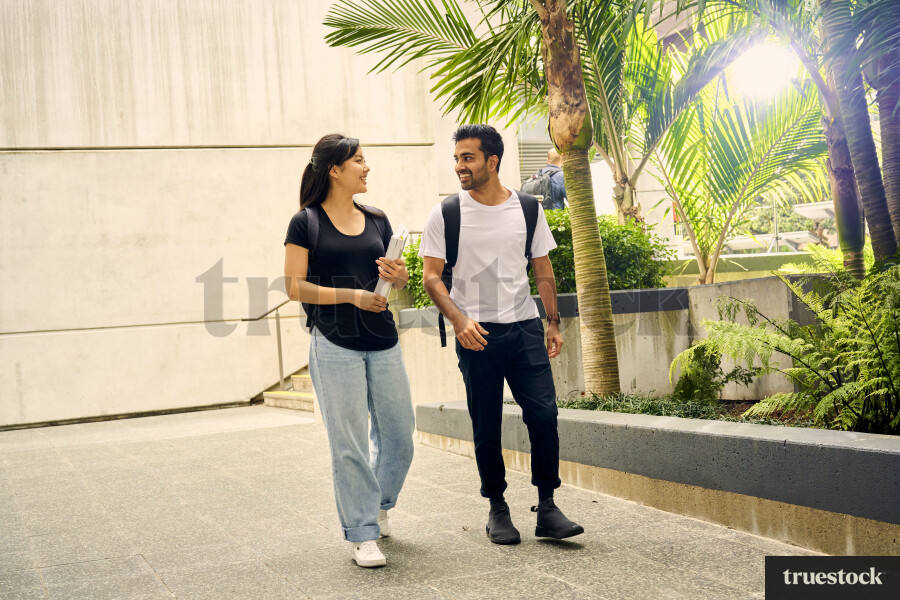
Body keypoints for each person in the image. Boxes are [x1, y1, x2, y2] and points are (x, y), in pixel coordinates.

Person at [418, 124, 583, 545]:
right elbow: (431, 277)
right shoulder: (446, 213)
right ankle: (497, 507)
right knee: (487, 424)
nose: (460, 166)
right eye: (457, 158)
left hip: (525, 327)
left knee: (543, 415)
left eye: (468, 158)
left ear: (492, 161)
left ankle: (548, 506)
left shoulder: (527, 209)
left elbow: (542, 268)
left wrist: (552, 322)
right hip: (476, 334)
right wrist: (459, 320)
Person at [283, 134, 415, 568]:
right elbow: (294, 286)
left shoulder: (377, 218)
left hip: (383, 339)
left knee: (400, 436)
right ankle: (362, 532)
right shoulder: (305, 222)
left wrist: (399, 275)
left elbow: (400, 280)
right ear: (335, 170)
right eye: (358, 160)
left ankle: (378, 505)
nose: (366, 167)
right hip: (334, 342)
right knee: (350, 443)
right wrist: (352, 296)